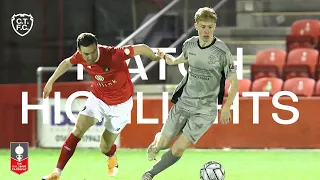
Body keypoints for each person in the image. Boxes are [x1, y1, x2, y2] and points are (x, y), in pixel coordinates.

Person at [41, 32, 161, 180]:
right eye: (86, 54)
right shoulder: (79, 56)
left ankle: (111, 156)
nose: (90, 57)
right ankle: (56, 173)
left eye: (93, 52)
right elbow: (66, 63)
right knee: (79, 129)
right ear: (79, 51)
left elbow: (141, 48)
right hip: (98, 98)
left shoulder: (114, 54)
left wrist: (154, 56)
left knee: (104, 147)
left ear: (97, 46)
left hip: (121, 105)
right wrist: (50, 82)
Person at [141, 7, 238, 180]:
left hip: (205, 110)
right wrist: (167, 58)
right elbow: (178, 60)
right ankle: (157, 142)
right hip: (184, 102)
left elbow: (234, 82)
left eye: (210, 26)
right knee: (163, 144)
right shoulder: (190, 44)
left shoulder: (223, 52)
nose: (206, 30)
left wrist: (226, 107)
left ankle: (150, 174)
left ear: (215, 26)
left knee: (178, 148)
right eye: (203, 26)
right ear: (196, 26)